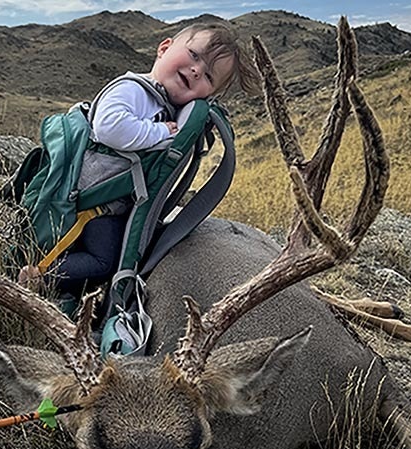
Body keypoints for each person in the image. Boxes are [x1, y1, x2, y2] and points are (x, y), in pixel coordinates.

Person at [18, 24, 261, 306]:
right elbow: (109, 128)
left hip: (106, 202)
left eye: (208, 75)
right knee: (102, 263)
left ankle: (67, 288)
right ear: (164, 48)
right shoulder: (133, 89)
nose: (196, 70)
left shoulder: (164, 103)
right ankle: (39, 277)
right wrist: (160, 133)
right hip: (88, 203)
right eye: (194, 55)